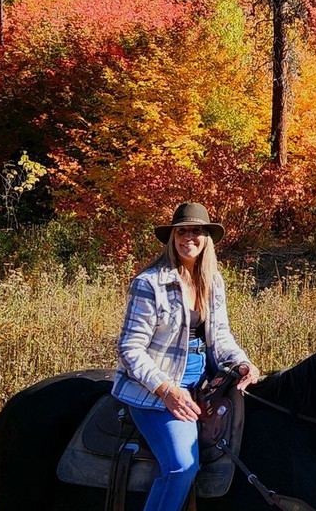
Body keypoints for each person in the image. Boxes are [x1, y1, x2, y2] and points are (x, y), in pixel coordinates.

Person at [113, 202, 259, 511]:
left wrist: (242, 362)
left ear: (206, 238)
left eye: (196, 231)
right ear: (172, 237)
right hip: (155, 390)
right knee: (182, 466)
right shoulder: (150, 283)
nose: (188, 238)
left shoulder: (213, 281)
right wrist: (167, 390)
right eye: (181, 231)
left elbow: (221, 336)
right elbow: (130, 348)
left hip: (204, 383)